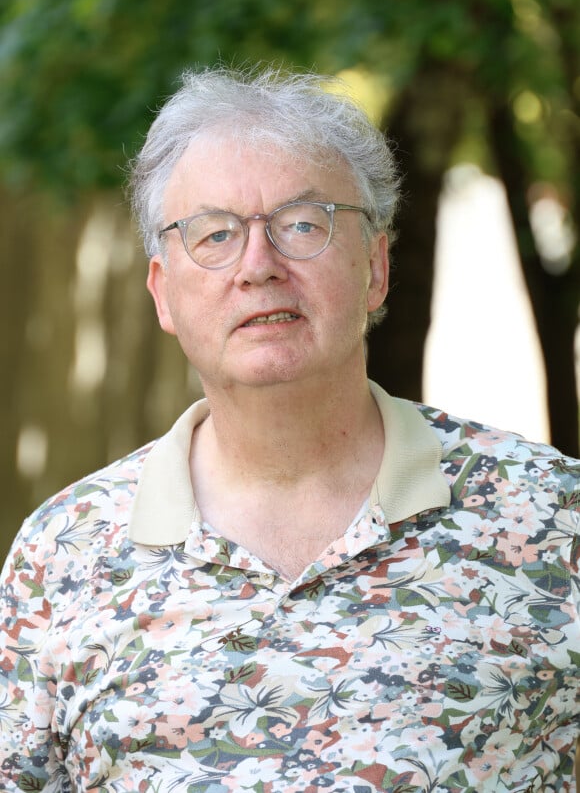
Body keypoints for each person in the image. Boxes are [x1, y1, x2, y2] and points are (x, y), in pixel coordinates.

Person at [0, 66, 578, 793]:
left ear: (375, 267)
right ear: (164, 293)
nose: (258, 266)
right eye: (213, 234)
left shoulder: (551, 518)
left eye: (303, 225)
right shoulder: (63, 556)